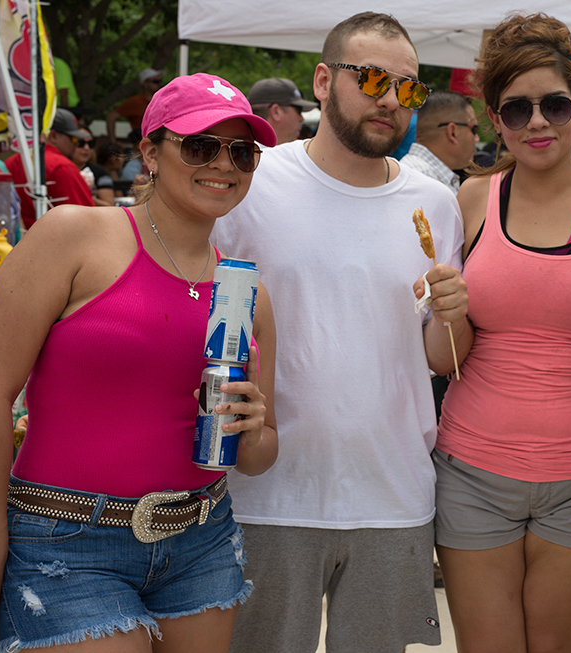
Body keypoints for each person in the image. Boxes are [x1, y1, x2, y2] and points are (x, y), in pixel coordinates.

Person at [0, 73, 279, 651]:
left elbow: (259, 455)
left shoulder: (248, 295)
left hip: (201, 538)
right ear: (150, 152)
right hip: (64, 539)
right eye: (200, 145)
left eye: (241, 153)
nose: (223, 164)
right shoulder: (73, 237)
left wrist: (253, 429)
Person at [210, 12, 469, 653]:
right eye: (373, 79)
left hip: (394, 494)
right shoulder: (251, 181)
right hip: (263, 496)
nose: (391, 100)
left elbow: (442, 360)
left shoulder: (434, 203)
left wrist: (452, 314)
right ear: (323, 80)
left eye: (409, 88)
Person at [431, 14, 571, 653]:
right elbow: (444, 360)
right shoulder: (469, 199)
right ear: (494, 120)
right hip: (471, 469)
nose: (537, 123)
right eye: (516, 110)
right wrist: (451, 310)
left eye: (553, 104)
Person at [5, 107, 94, 230]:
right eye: (73, 139)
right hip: (55, 245)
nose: (76, 144)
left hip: (15, 243)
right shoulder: (62, 166)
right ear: (53, 136)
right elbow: (87, 218)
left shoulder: (10, 162)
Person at [400, 90, 480, 194]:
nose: (477, 139)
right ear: (452, 132)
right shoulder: (422, 182)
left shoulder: (418, 175)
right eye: (474, 129)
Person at [248, 77, 317, 145]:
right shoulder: (254, 154)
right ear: (276, 112)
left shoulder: (245, 152)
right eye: (298, 111)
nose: (302, 119)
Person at [107, 67, 163, 140]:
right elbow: (111, 117)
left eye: (159, 81)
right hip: (141, 144)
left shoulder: (162, 100)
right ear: (145, 84)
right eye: (155, 81)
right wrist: (113, 141)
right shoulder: (135, 101)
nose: (159, 84)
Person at [71, 127, 116, 207]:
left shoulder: (100, 172)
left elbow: (109, 205)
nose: (86, 148)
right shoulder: (62, 169)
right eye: (80, 143)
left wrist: (85, 195)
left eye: (90, 144)